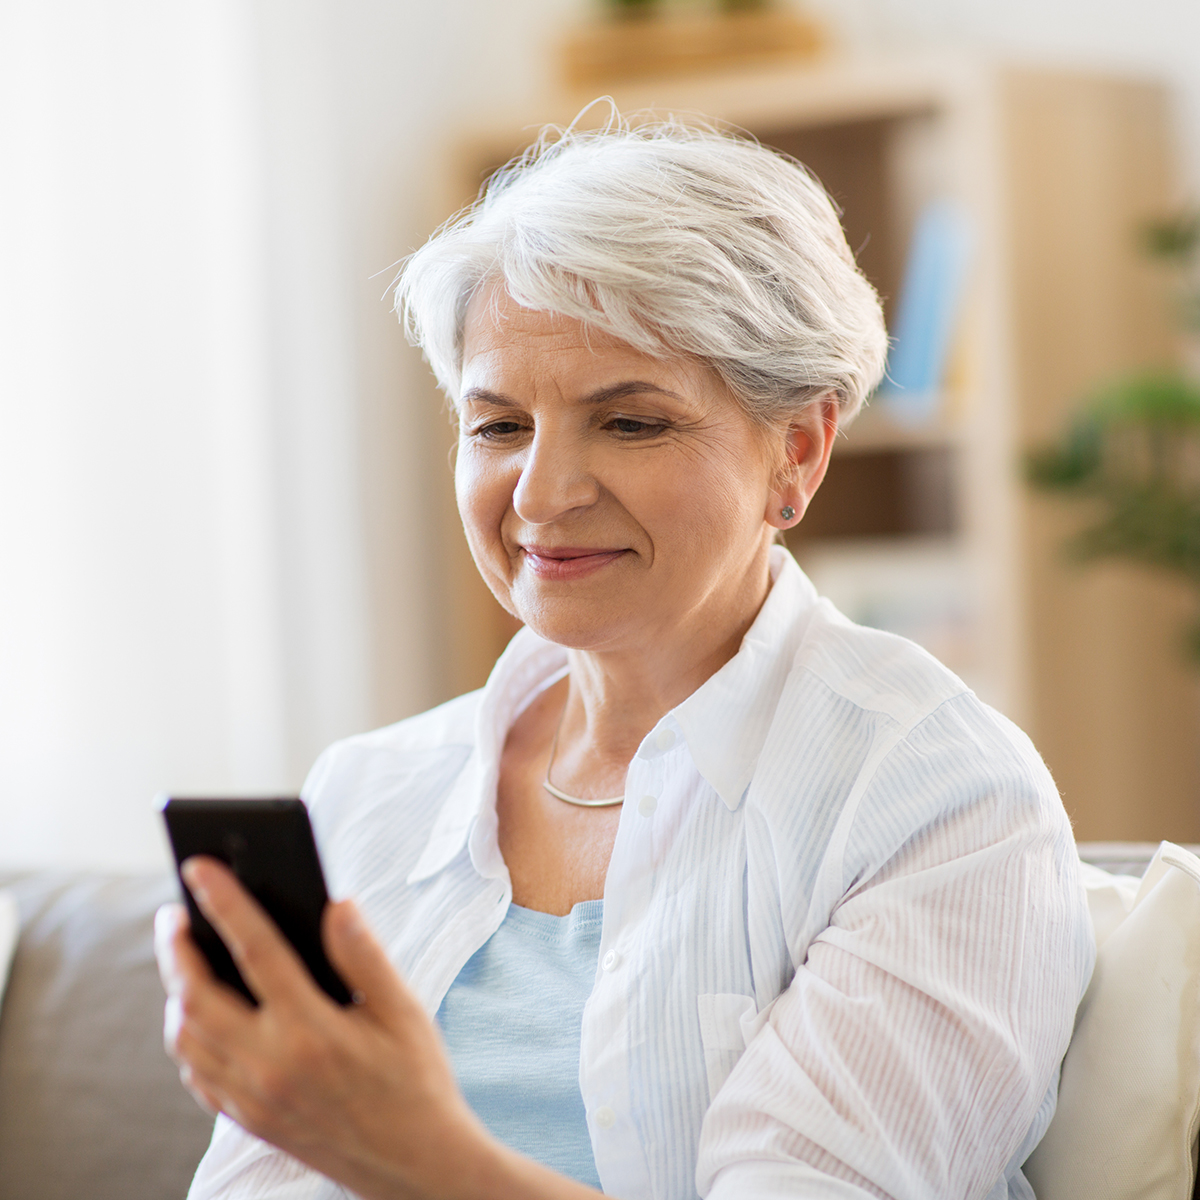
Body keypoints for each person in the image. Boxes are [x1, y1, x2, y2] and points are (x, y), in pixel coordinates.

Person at [156, 116, 1094, 1200]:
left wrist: (414, 1154)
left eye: (632, 424)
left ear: (798, 447)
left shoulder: (936, 796)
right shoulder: (373, 791)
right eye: (498, 426)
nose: (544, 495)